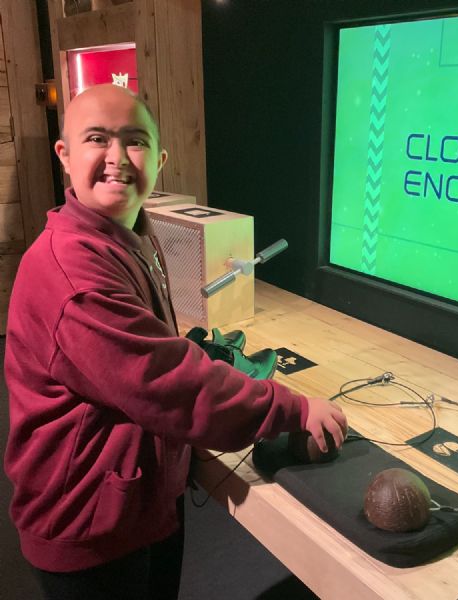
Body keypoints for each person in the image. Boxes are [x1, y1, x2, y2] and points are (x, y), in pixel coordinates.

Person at [3, 84, 347, 600]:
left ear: (160, 160)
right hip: (92, 529)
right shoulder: (73, 272)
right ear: (64, 155)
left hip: (136, 502)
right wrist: (290, 408)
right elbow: (165, 382)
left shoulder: (131, 233)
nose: (117, 157)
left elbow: (157, 353)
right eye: (97, 138)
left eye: (135, 141)